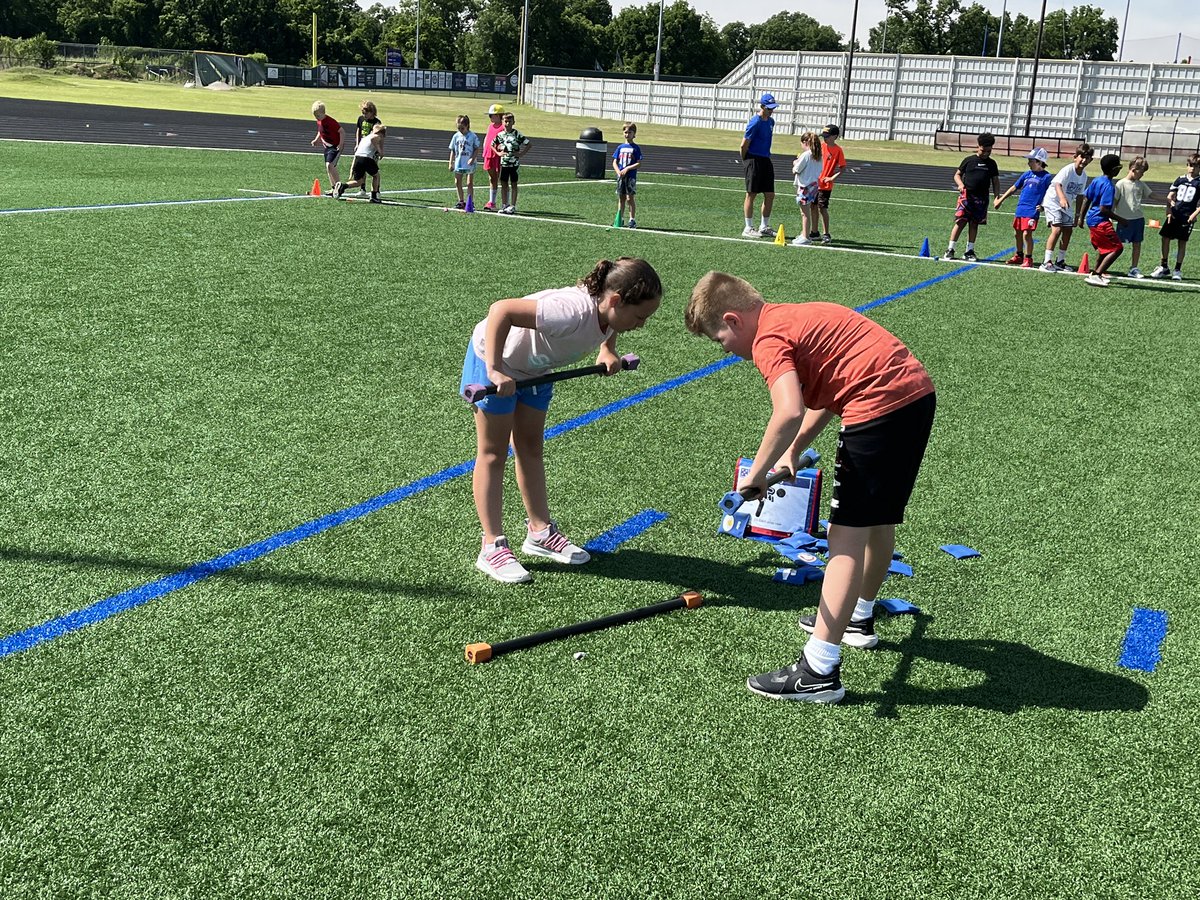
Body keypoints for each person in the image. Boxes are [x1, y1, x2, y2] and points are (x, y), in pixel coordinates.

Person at [684, 273, 935, 703]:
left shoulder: (767, 339)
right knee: (876, 521)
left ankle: (818, 670)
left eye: (719, 338)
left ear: (733, 319)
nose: (724, 349)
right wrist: (794, 450)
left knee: (845, 538)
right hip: (914, 398)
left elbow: (788, 410)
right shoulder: (800, 316)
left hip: (877, 410)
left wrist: (757, 474)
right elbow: (823, 398)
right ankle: (857, 617)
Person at [463, 258, 664, 584]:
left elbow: (610, 323)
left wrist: (607, 349)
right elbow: (501, 310)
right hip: (493, 360)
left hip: (536, 369)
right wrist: (495, 369)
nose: (642, 324)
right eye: (640, 316)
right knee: (493, 453)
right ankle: (492, 546)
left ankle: (540, 533)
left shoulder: (608, 309)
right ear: (615, 300)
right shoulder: (568, 311)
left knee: (530, 447)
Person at [943, 133, 1000, 261]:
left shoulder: (992, 164)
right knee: (960, 222)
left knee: (974, 224)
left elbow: (995, 181)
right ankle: (950, 249)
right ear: (978, 146)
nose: (986, 153)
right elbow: (957, 175)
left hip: (982, 199)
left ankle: (969, 251)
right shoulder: (969, 160)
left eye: (989, 151)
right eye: (983, 150)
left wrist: (997, 197)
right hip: (966, 197)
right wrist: (961, 184)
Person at [993, 147, 1053, 268]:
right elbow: (1014, 187)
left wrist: (1043, 206)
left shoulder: (1046, 177)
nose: (1028, 163)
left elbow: (1050, 194)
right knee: (1017, 233)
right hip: (1021, 208)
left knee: (1027, 234)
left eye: (1031, 160)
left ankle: (1028, 258)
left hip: (1032, 209)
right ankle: (1019, 255)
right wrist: (1001, 199)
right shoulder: (1027, 174)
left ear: (1039, 162)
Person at [1040, 143, 1093, 272]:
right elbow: (1057, 184)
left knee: (1068, 231)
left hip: (1066, 205)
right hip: (1053, 202)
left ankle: (1060, 261)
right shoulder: (1068, 169)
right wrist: (1062, 198)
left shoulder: (1084, 176)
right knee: (1057, 230)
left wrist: (1078, 215)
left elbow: (1080, 196)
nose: (1084, 160)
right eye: (1082, 157)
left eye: (1087, 158)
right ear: (1075, 157)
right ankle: (1046, 262)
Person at [1151, 153, 1200, 281]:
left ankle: (1177, 269)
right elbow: (1170, 196)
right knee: (1165, 238)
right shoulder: (1180, 179)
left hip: (1187, 215)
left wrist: (1194, 214)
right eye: (1190, 165)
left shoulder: (1199, 182)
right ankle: (1164, 266)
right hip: (1174, 214)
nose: (1192, 169)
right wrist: (1169, 211)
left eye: (1195, 166)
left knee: (1182, 242)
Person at [1081, 153, 1128, 287]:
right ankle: (1096, 275)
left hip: (1091, 219)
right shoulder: (1109, 186)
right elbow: (1104, 209)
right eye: (1119, 167)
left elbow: (1086, 198)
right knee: (1117, 248)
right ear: (1114, 169)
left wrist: (1081, 218)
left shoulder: (1096, 180)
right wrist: (1121, 220)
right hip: (1100, 221)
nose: (1120, 169)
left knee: (1104, 248)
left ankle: (1096, 273)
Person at [740, 93, 778, 238]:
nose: (771, 111)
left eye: (773, 108)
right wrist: (746, 160)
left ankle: (764, 226)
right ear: (762, 106)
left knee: (770, 194)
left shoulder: (771, 122)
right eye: (769, 108)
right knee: (752, 194)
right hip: (753, 159)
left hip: (765, 159)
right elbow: (744, 144)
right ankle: (748, 227)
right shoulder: (754, 122)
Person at [1114, 156, 1152, 278]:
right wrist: (1109, 216)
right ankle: (1105, 265)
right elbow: (1114, 202)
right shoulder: (1120, 184)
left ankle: (1134, 268)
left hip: (1138, 219)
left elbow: (1151, 195)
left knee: (1137, 243)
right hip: (1124, 220)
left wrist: (1167, 199)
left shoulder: (1140, 184)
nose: (1142, 175)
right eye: (1141, 172)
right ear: (1133, 169)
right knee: (1117, 244)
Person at [334, 123, 385, 203]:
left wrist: (352, 167)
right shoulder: (376, 136)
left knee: (359, 181)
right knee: (376, 176)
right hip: (366, 158)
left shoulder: (364, 138)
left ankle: (342, 186)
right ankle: (374, 196)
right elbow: (374, 139)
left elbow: (357, 152)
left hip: (358, 158)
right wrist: (380, 151)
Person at [492, 112, 531, 215]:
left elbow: (528, 144)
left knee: (514, 184)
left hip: (514, 164)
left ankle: (513, 205)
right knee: (504, 184)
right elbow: (492, 144)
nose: (507, 123)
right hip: (504, 164)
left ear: (513, 122)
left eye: (509, 121)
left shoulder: (517, 134)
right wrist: (498, 153)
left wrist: (521, 154)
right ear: (502, 122)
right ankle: (504, 204)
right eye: (505, 121)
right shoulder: (500, 135)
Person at [815, 124, 846, 244]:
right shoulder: (820, 147)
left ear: (835, 136)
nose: (824, 138)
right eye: (823, 136)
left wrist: (831, 178)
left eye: (827, 136)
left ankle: (826, 233)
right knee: (812, 207)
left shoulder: (838, 150)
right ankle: (814, 231)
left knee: (822, 208)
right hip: (814, 183)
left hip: (825, 186)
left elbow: (843, 168)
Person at [790, 132, 822, 246]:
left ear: (806, 142)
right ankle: (804, 233)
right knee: (806, 211)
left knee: (804, 213)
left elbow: (797, 169)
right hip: (814, 185)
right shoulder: (817, 155)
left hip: (805, 186)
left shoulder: (806, 155)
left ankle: (805, 236)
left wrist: (795, 163)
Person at [612, 122, 643, 229]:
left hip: (630, 176)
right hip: (621, 177)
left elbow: (639, 163)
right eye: (625, 132)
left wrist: (627, 168)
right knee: (621, 198)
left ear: (634, 134)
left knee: (630, 198)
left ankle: (632, 220)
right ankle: (620, 218)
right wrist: (618, 172)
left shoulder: (636, 148)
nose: (627, 134)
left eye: (630, 132)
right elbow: (615, 162)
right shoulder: (620, 147)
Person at [448, 114, 481, 210]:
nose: (460, 130)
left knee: (469, 183)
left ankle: (470, 201)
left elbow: (476, 148)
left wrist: (472, 158)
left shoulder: (472, 136)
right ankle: (461, 201)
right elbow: (453, 150)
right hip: (459, 162)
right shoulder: (456, 136)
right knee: (457, 181)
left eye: (462, 128)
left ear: (467, 126)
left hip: (469, 163)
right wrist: (451, 162)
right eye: (458, 128)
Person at [310, 101, 342, 194]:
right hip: (327, 147)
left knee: (330, 165)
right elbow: (320, 131)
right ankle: (333, 188)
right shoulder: (319, 121)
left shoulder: (331, 121)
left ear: (323, 113)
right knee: (328, 167)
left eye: (318, 116)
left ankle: (338, 186)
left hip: (334, 146)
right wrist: (316, 140)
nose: (317, 118)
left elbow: (342, 131)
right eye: (315, 116)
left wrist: (341, 143)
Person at [353, 101, 382, 197]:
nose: (364, 115)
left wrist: (379, 150)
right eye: (363, 113)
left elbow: (378, 137)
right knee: (362, 169)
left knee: (374, 170)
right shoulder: (361, 119)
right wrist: (357, 143)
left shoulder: (376, 122)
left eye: (366, 113)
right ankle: (362, 188)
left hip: (372, 149)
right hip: (363, 148)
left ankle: (376, 190)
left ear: (372, 112)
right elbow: (358, 130)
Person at [481, 103, 506, 211]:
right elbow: (487, 138)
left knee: (501, 178)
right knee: (492, 178)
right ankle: (492, 202)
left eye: (492, 115)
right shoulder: (490, 126)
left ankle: (505, 202)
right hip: (489, 154)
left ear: (499, 115)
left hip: (498, 155)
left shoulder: (503, 127)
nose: (490, 117)